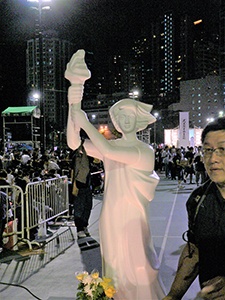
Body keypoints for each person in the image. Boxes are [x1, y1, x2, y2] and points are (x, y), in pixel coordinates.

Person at [66, 50, 165, 300]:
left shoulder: (144, 151)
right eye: (119, 116)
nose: (125, 119)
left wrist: (86, 122)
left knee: (138, 268)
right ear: (116, 123)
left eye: (129, 115)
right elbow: (73, 142)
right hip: (110, 215)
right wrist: (74, 95)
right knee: (114, 268)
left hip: (133, 218)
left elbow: (107, 148)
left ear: (137, 120)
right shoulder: (112, 147)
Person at [163, 117, 225, 300]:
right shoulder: (198, 200)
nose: (213, 159)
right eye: (207, 150)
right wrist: (173, 296)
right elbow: (194, 251)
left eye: (223, 149)